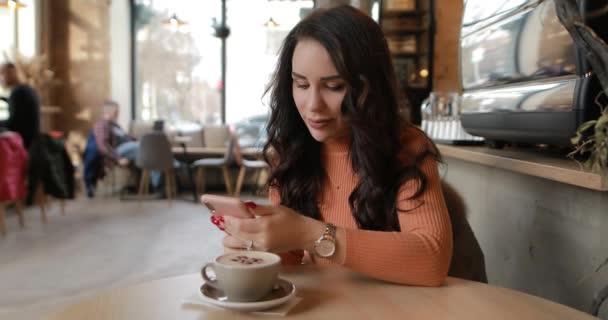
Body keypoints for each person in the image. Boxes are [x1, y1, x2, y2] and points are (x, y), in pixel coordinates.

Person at [216, 5, 453, 287]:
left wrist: (308, 233)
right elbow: (292, 261)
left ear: (369, 87)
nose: (313, 106)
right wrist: (259, 243)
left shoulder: (407, 146)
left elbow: (432, 259)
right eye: (301, 84)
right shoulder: (289, 151)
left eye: (334, 86)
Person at [0, 62, 40, 149]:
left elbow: (13, 123)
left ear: (8, 75)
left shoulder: (17, 93)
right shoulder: (27, 89)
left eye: (1, 74)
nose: (0, 79)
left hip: (23, 143)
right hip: (32, 140)